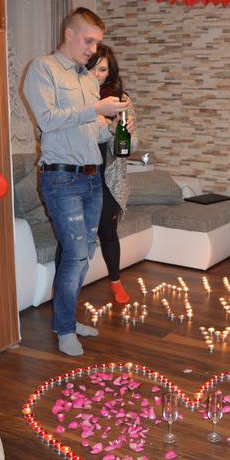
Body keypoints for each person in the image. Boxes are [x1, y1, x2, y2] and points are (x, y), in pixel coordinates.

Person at [23, 7, 129, 357]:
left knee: (84, 255)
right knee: (75, 254)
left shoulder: (87, 79)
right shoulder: (43, 68)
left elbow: (89, 131)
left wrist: (112, 127)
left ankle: (67, 318)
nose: (93, 49)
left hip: (92, 178)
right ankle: (65, 328)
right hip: (61, 178)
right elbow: (48, 119)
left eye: (97, 43)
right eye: (89, 41)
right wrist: (96, 110)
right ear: (69, 34)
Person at [86, 44, 138, 304]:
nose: (97, 75)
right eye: (92, 68)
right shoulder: (78, 100)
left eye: (103, 69)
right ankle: (63, 288)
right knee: (74, 238)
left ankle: (116, 283)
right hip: (80, 176)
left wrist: (123, 132)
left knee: (108, 232)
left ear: (111, 71)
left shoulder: (121, 101)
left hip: (109, 178)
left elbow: (132, 144)